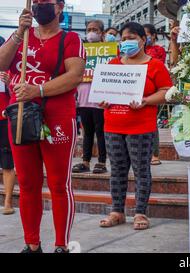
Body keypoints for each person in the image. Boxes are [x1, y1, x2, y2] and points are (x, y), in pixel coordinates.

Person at [0, 0, 86, 253]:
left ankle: (61, 245)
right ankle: (32, 243)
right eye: (35, 2)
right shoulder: (21, 37)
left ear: (59, 7)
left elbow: (75, 75)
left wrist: (38, 89)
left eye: (44, 2)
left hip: (57, 116)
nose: (39, 6)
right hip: (21, 116)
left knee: (59, 183)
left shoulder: (70, 39)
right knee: (27, 183)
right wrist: (17, 34)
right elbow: (1, 64)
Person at [98, 22, 172, 230]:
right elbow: (101, 94)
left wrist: (147, 100)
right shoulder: (113, 65)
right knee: (117, 171)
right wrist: (102, 101)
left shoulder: (155, 65)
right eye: (123, 39)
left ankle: (140, 212)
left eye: (131, 38)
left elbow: (166, 91)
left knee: (141, 170)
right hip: (113, 125)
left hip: (141, 127)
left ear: (143, 40)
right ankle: (117, 211)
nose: (126, 43)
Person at [72, 19, 108, 174]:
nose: (91, 32)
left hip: (100, 100)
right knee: (87, 133)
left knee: (101, 132)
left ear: (102, 33)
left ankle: (101, 162)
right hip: (83, 99)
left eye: (95, 29)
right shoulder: (81, 51)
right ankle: (85, 161)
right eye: (89, 29)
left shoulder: (108, 52)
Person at [143, 23, 166, 166]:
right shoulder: (134, 51)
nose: (145, 38)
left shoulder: (158, 50)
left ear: (153, 35)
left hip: (153, 91)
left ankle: (154, 154)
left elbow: (159, 67)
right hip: (135, 90)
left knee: (151, 122)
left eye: (147, 34)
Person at [0, 71, 16, 216]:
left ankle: (8, 202)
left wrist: (9, 82)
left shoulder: (8, 69)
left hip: (4, 119)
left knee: (7, 163)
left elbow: (16, 95)